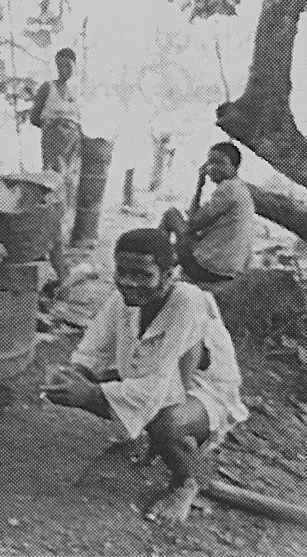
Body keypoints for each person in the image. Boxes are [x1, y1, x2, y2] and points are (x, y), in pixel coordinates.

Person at [42, 228, 249, 524]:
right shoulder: (121, 300)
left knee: (167, 422)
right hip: (156, 380)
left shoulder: (188, 302)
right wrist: (71, 376)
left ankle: (185, 483)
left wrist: (90, 394)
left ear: (169, 275)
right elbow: (93, 351)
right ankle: (154, 439)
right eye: (122, 272)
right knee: (89, 387)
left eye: (142, 274)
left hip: (203, 390)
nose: (128, 282)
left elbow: (163, 389)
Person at [159, 142, 255, 284]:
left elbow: (192, 224)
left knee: (171, 215)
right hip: (230, 268)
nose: (213, 168)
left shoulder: (228, 189)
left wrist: (199, 185)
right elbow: (196, 223)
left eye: (220, 163)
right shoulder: (239, 188)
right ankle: (163, 262)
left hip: (211, 269)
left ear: (234, 167)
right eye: (210, 162)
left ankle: (156, 262)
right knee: (178, 244)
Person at [30, 48, 83, 286]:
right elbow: (34, 118)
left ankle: (60, 239)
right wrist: (53, 123)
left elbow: (78, 119)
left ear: (74, 67)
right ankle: (49, 241)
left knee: (69, 190)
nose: (65, 70)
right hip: (53, 140)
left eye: (69, 66)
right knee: (52, 186)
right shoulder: (47, 88)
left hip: (71, 143)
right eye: (61, 65)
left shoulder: (72, 92)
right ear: (56, 65)